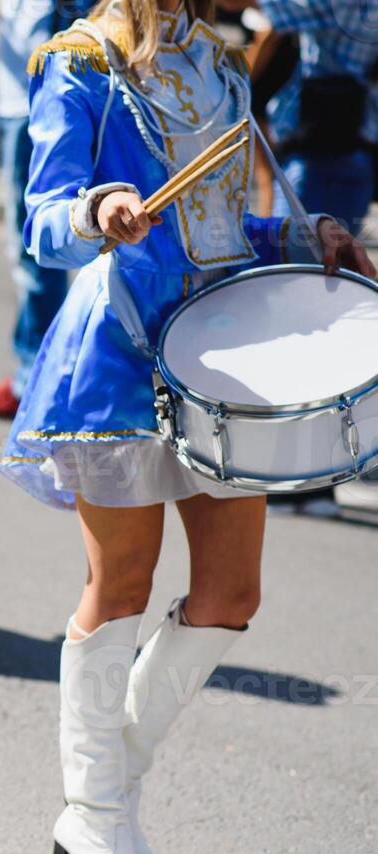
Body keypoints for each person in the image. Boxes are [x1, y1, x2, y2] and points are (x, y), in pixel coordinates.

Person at [0, 0, 373, 854]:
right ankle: (95, 816)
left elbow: (228, 228)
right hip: (122, 347)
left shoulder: (225, 65)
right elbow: (41, 223)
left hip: (218, 342)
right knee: (121, 587)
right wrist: (100, 208)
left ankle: (101, 794)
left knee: (231, 594)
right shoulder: (80, 63)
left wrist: (304, 232)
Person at [222, 0, 378, 516]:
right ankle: (323, 476)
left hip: (319, 153)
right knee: (329, 317)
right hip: (359, 152)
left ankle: (303, 480)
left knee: (302, 320)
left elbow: (251, 7)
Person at [0, 0, 95, 418]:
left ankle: (37, 381)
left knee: (37, 242)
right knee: (40, 242)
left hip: (40, 98)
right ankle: (42, 375)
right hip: (24, 94)